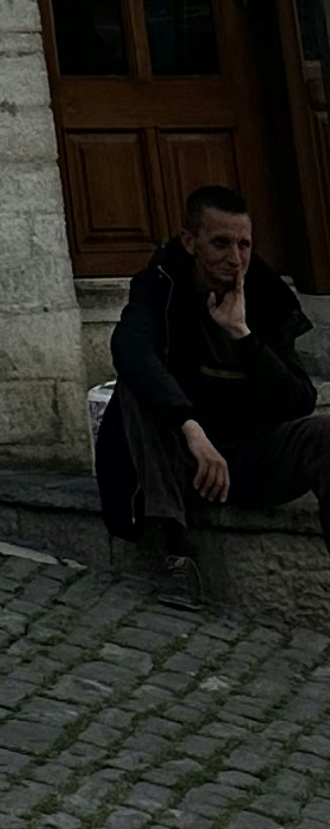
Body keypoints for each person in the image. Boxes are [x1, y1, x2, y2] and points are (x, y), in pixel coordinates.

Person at [99, 184, 330, 595]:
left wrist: (243, 335)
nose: (235, 258)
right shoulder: (159, 286)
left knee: (325, 434)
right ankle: (176, 550)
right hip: (178, 463)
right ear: (190, 242)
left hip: (245, 456)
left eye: (244, 245)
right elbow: (130, 350)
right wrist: (190, 427)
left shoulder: (264, 295)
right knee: (135, 386)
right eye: (220, 244)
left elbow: (299, 400)